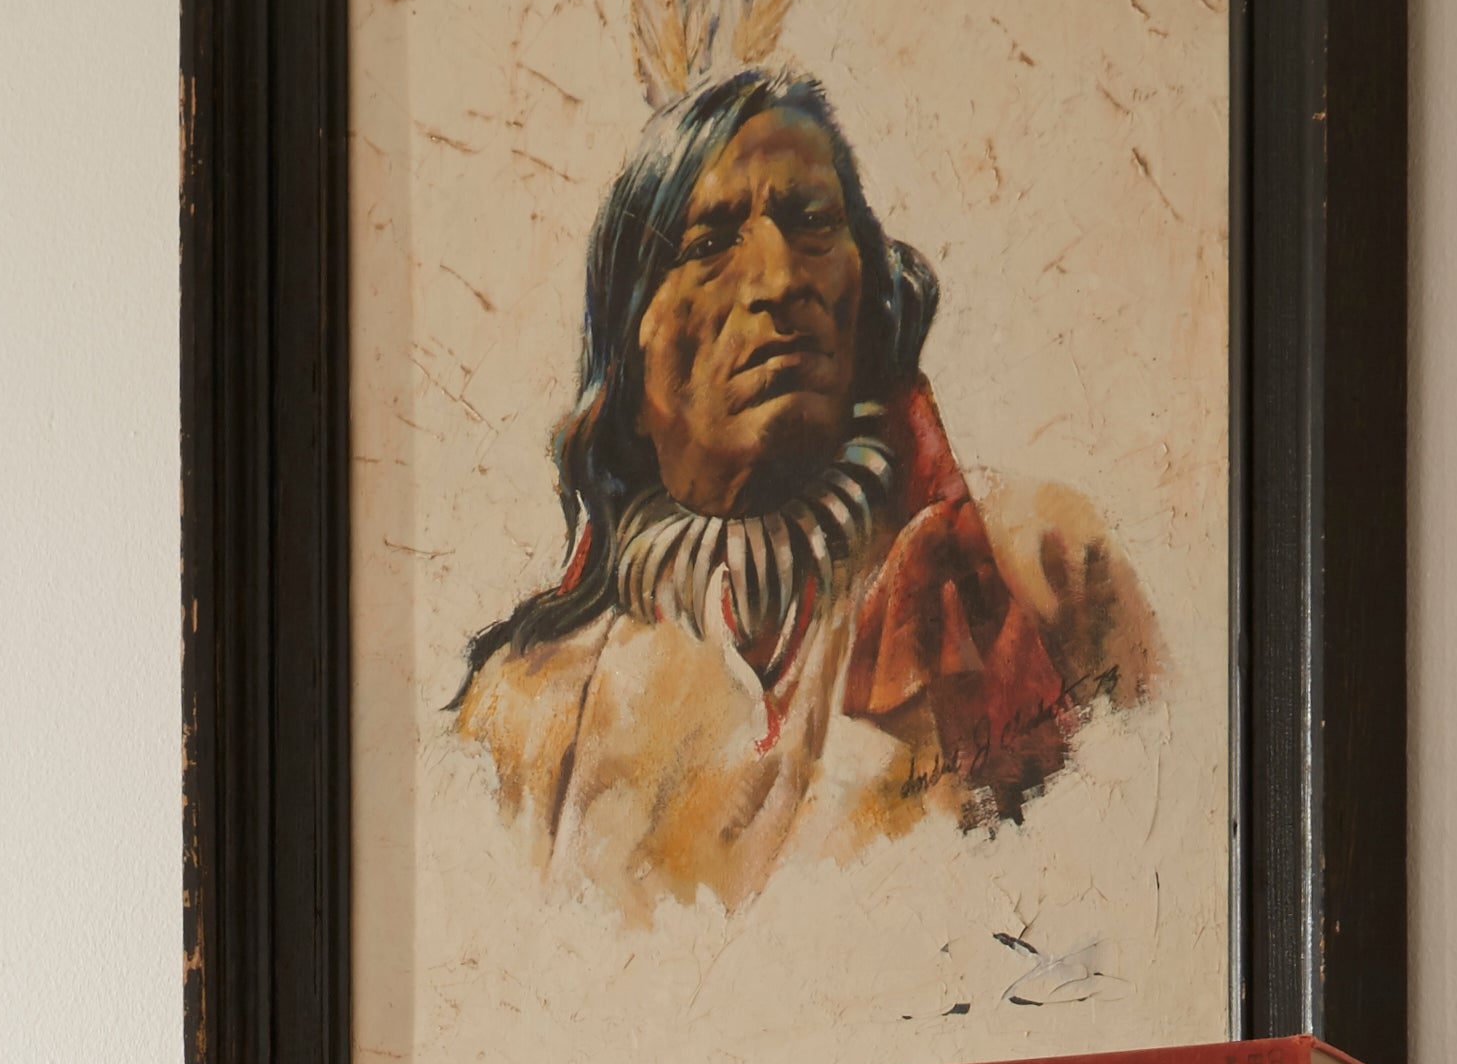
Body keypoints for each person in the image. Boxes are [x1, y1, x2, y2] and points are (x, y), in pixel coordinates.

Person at [451, 63, 1157, 924]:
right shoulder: (525, 711)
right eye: (709, 243)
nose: (779, 278)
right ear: (625, 364)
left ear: (866, 286)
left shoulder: (1042, 568)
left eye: (813, 223)